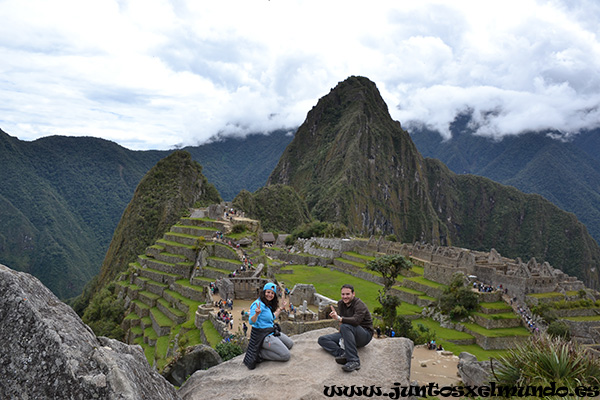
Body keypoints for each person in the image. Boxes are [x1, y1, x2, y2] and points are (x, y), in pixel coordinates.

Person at [318, 284, 374, 372]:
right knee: (322, 339)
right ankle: (344, 353)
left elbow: (356, 321)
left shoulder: (360, 305)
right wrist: (342, 334)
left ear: (353, 294)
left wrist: (339, 318)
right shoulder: (341, 304)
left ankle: (354, 361)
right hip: (349, 332)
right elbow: (343, 321)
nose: (345, 297)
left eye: (347, 294)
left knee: (345, 326)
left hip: (364, 335)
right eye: (343, 294)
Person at [243, 282, 294, 369]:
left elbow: (272, 317)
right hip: (263, 336)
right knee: (286, 355)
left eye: (272, 293)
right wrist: (256, 314)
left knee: (290, 344)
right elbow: (251, 322)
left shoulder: (267, 305)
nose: (270, 295)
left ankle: (272, 347)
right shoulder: (257, 304)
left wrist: (281, 308)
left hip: (271, 331)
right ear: (264, 292)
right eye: (268, 292)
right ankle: (260, 353)